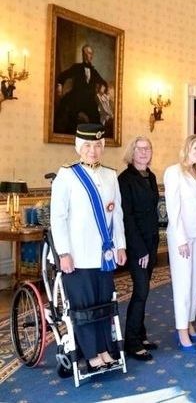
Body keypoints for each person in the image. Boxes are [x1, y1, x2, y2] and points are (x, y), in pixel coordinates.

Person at [50, 123, 127, 372]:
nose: (93, 151)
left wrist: (121, 247)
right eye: (87, 146)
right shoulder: (67, 175)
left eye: (97, 145)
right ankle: (91, 354)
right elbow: (58, 217)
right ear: (79, 147)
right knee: (83, 309)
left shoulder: (110, 175)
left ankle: (105, 350)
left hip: (104, 255)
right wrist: (63, 253)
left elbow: (118, 216)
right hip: (77, 256)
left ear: (102, 146)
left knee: (104, 305)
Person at [164, 134, 196, 353]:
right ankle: (181, 331)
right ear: (187, 148)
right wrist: (181, 239)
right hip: (181, 235)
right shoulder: (174, 172)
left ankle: (190, 323)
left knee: (195, 282)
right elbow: (174, 210)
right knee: (183, 283)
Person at [118, 136, 160, 361]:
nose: (144, 152)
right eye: (139, 148)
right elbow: (127, 217)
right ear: (132, 152)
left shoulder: (150, 176)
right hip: (137, 245)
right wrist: (140, 249)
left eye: (147, 148)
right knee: (140, 291)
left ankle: (141, 334)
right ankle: (132, 343)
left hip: (151, 241)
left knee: (144, 291)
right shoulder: (125, 179)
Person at [55, 44, 106, 135]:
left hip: (89, 100)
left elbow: (103, 81)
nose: (90, 55)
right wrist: (59, 85)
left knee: (96, 119)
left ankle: (96, 139)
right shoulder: (77, 67)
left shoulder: (93, 71)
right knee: (68, 114)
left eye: (91, 53)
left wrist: (103, 86)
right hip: (77, 97)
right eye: (88, 53)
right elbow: (63, 75)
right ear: (84, 54)